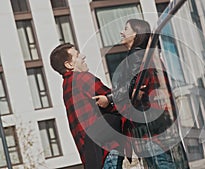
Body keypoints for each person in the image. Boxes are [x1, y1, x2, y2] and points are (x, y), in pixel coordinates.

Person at [101, 19, 190, 169]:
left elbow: (136, 88)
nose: (121, 32)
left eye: (126, 29)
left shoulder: (138, 57)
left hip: (150, 133)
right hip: (154, 131)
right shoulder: (144, 56)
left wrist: (109, 98)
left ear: (137, 34)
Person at [50, 43, 124, 169]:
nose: (83, 56)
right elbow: (117, 102)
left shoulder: (67, 86)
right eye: (77, 55)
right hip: (106, 149)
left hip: (92, 157)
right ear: (69, 65)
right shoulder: (82, 78)